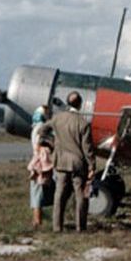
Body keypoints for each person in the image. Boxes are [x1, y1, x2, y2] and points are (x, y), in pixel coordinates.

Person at [39, 92, 95, 232]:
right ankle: (80, 227)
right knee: (80, 196)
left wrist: (51, 144)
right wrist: (92, 165)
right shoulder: (83, 123)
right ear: (80, 104)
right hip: (78, 164)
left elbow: (41, 130)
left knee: (59, 194)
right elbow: (87, 148)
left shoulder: (57, 118)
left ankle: (57, 227)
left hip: (61, 162)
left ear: (68, 103)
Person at [27, 105, 53, 229]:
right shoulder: (41, 128)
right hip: (41, 163)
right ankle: (37, 221)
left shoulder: (34, 128)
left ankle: (37, 220)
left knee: (37, 191)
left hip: (37, 161)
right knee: (38, 193)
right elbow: (41, 147)